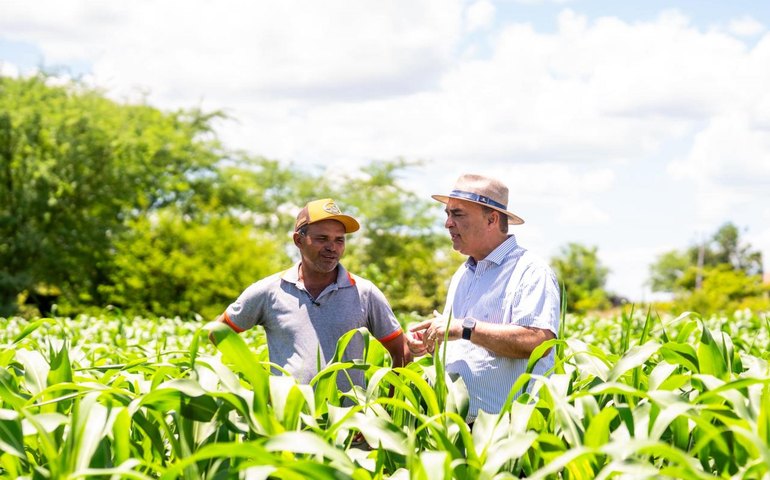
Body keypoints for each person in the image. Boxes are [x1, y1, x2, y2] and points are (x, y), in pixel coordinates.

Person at [212, 198, 410, 392]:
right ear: (298, 240)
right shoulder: (268, 291)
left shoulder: (364, 293)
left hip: (349, 421)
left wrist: (392, 406)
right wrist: (255, 379)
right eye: (322, 238)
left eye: (339, 240)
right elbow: (217, 333)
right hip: (288, 421)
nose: (332, 247)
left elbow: (402, 351)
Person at [406, 173, 560, 423]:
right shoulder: (463, 274)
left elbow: (538, 342)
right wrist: (430, 342)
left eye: (458, 214)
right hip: (456, 424)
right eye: (447, 214)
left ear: (492, 219)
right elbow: (461, 341)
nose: (448, 223)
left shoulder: (530, 271)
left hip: (507, 429)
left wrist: (464, 328)